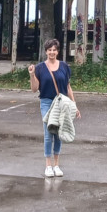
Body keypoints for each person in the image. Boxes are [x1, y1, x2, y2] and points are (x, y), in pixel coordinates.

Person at [28, 39, 80, 178]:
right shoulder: (40, 68)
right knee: (48, 133)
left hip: (62, 103)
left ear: (58, 51)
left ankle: (56, 165)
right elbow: (34, 89)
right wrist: (32, 74)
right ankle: (48, 166)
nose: (52, 52)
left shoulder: (64, 66)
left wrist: (74, 105)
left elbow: (68, 87)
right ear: (46, 52)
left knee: (58, 133)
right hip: (46, 102)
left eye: (54, 50)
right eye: (49, 50)